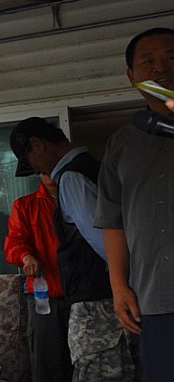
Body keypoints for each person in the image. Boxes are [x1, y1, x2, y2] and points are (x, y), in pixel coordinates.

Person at [10, 117, 137, 380]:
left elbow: (104, 242)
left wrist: (122, 284)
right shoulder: (98, 168)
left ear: (37, 145)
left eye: (31, 164)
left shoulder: (71, 178)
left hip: (98, 302)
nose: (37, 171)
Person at [96, 27, 174, 379]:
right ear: (132, 76)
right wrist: (119, 286)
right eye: (149, 61)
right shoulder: (122, 144)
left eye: (171, 58)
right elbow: (113, 221)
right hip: (154, 301)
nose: (161, 68)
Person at [4, 172, 72, 382]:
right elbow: (14, 243)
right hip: (45, 296)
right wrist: (26, 257)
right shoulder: (25, 205)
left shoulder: (80, 199)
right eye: (43, 169)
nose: (49, 173)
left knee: (85, 362)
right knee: (46, 365)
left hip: (83, 295)